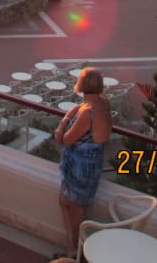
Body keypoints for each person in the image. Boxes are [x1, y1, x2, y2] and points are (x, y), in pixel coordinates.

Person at [54, 67, 112, 259]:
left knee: (77, 209)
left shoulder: (88, 112)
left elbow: (66, 140)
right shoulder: (102, 103)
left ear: (81, 85)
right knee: (65, 201)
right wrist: (67, 117)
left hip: (81, 166)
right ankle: (72, 247)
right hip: (92, 164)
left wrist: (61, 129)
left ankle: (76, 253)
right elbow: (79, 107)